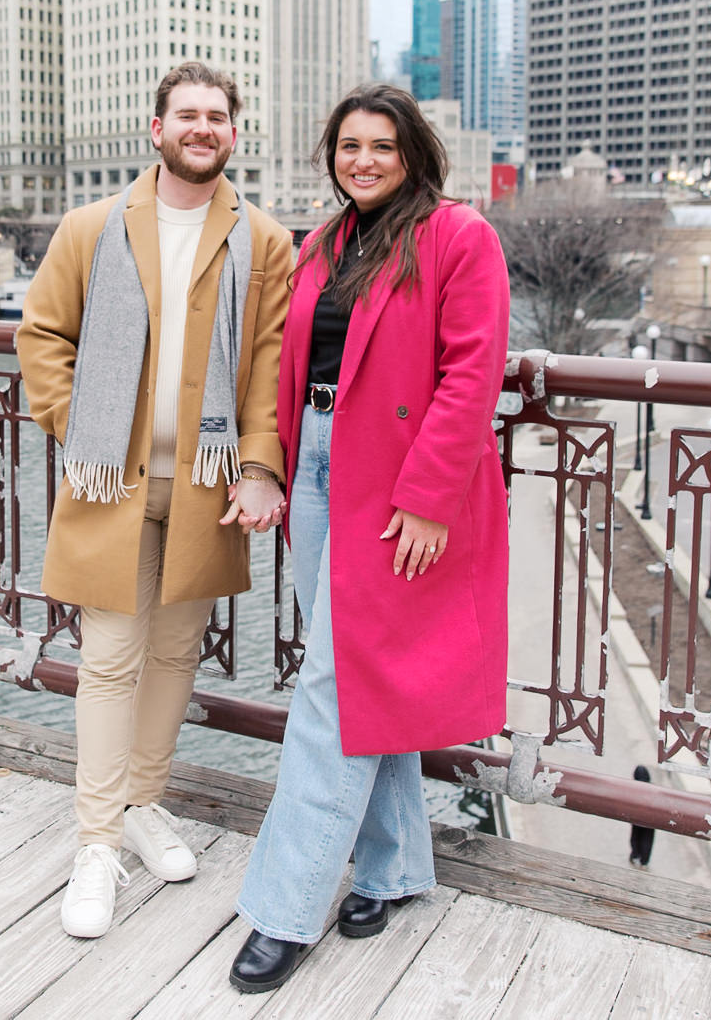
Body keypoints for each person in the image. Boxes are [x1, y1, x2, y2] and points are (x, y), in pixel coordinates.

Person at [229, 83, 511, 992]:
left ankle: (285, 905)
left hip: (395, 482)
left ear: (413, 152)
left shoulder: (460, 235)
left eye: (381, 146)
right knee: (362, 675)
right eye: (349, 145)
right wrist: (268, 463)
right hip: (317, 465)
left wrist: (429, 496)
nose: (363, 159)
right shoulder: (324, 242)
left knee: (334, 688)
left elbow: (473, 372)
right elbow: (284, 359)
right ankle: (391, 871)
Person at [18, 61, 294, 939]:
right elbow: (42, 335)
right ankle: (96, 840)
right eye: (187, 114)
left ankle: (144, 802)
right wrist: (86, 429)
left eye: (217, 116)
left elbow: (269, 370)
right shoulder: (93, 225)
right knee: (109, 658)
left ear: (233, 134)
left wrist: (259, 465)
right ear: (157, 127)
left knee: (177, 655)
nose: (201, 127)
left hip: (209, 484)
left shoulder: (266, 243)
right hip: (115, 483)